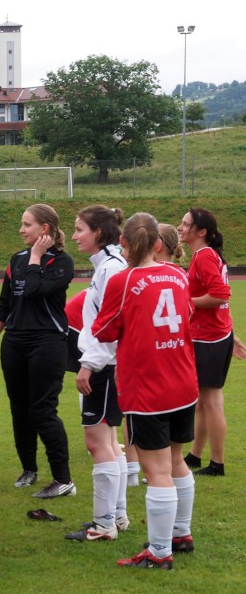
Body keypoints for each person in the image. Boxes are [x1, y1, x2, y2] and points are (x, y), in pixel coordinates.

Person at [92, 212, 197, 569]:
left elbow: (104, 330)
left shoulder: (122, 281)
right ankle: (181, 533)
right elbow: (188, 314)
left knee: (157, 471)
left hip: (148, 388)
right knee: (176, 461)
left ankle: (160, 552)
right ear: (157, 242)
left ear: (123, 242)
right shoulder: (178, 274)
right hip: (183, 381)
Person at [0, 203, 75, 498]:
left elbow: (35, 291)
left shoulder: (62, 261)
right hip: (15, 342)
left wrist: (36, 257)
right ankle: (29, 469)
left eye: (27, 224)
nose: (21, 229)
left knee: (43, 410)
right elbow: (5, 304)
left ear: (44, 228)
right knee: (19, 409)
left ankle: (63, 479)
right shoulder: (17, 259)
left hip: (47, 342)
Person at [65, 205, 129, 542]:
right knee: (108, 441)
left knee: (97, 442)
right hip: (109, 364)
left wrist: (88, 365)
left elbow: (109, 326)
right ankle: (117, 517)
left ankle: (104, 525)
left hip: (105, 366)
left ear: (99, 233)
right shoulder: (108, 264)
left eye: (79, 229)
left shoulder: (111, 268)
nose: (74, 236)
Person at [178, 208, 232, 477]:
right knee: (202, 402)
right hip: (213, 335)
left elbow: (221, 294)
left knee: (211, 402)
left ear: (201, 232)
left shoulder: (204, 256)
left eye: (186, 224)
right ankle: (195, 456)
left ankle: (217, 464)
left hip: (210, 338)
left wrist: (186, 302)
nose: (180, 227)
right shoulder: (204, 255)